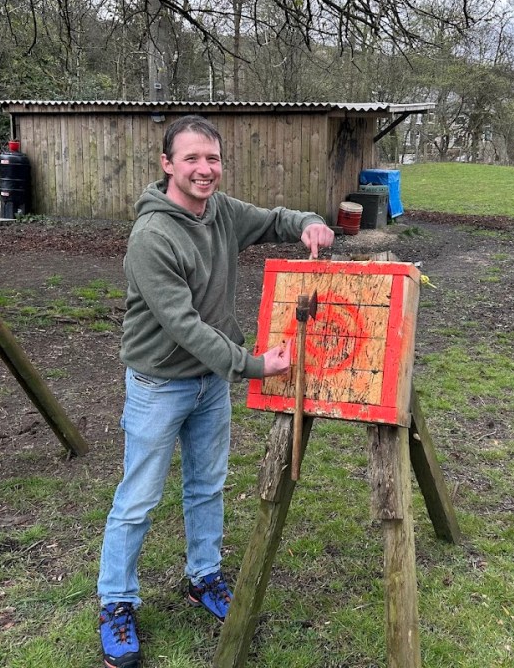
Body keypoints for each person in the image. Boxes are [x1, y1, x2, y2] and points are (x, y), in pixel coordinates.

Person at [97, 114, 335, 668]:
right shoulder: (152, 237)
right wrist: (252, 366)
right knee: (138, 500)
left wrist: (309, 222)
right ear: (167, 164)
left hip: (209, 386)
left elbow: (276, 218)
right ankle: (116, 604)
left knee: (208, 487)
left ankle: (203, 577)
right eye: (192, 159)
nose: (205, 170)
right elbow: (186, 327)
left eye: (212, 159)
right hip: (159, 384)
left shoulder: (223, 213)